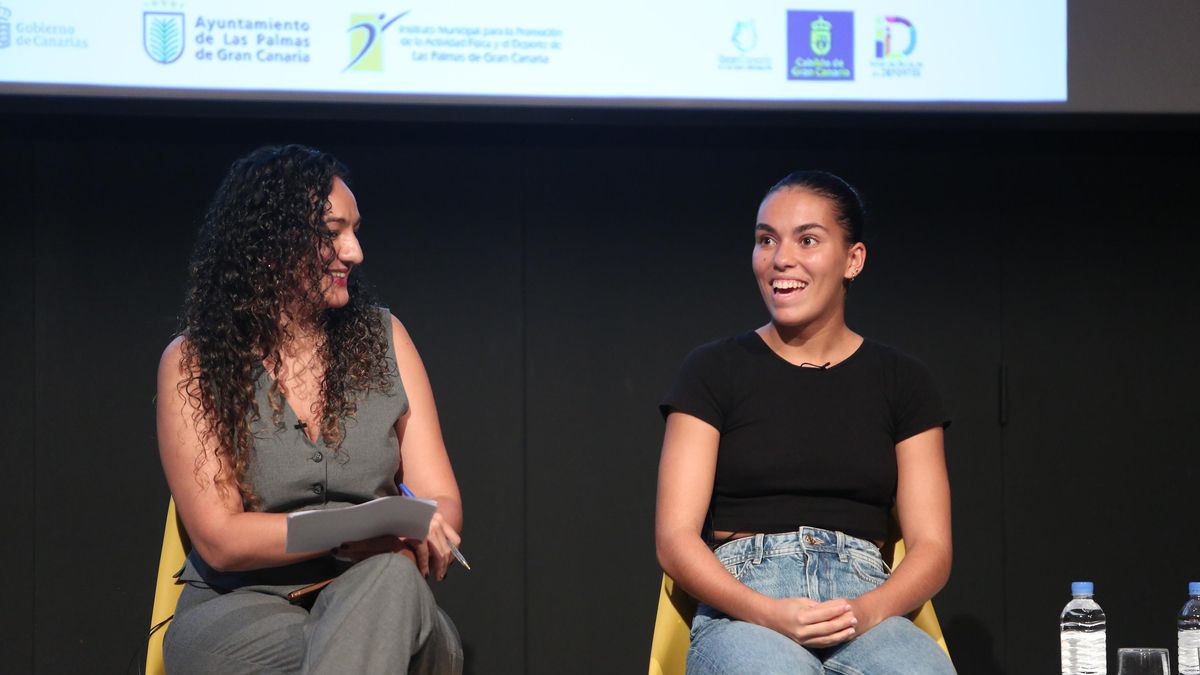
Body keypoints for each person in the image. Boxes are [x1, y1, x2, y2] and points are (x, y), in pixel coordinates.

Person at [157, 145, 464, 674]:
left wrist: (409, 538)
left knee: (388, 589)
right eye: (332, 233)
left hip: (379, 592)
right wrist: (358, 532)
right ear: (267, 245)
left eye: (356, 231)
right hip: (241, 612)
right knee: (365, 645)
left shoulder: (385, 339)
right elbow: (222, 539)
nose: (354, 252)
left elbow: (442, 503)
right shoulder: (196, 361)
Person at [655, 170, 955, 674]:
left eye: (807, 240)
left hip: (866, 602)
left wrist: (866, 610)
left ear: (853, 260)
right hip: (747, 603)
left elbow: (932, 547)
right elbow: (675, 539)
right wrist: (767, 612)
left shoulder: (903, 381)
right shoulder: (712, 370)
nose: (781, 259)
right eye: (766, 240)